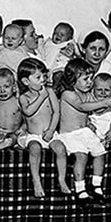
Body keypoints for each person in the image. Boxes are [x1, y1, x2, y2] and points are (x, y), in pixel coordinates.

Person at [57, 59, 111, 204]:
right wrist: (103, 103)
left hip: (85, 132)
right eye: (85, 79)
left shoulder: (86, 93)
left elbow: (95, 108)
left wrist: (108, 102)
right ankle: (80, 188)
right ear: (73, 80)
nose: (89, 82)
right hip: (70, 134)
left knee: (100, 153)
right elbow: (82, 107)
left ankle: (96, 184)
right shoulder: (68, 94)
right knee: (81, 156)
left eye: (90, 78)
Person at [17, 58, 67, 197]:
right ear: (26, 82)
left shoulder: (49, 91)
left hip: (50, 133)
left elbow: (56, 111)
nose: (43, 80)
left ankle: (61, 179)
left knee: (61, 149)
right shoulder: (24, 97)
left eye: (44, 76)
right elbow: (28, 112)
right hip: (34, 135)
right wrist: (41, 96)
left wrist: (51, 130)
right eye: (38, 77)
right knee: (34, 148)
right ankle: (36, 180)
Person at [87, 73, 111, 146]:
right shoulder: (89, 101)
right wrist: (88, 123)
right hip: (95, 131)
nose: (103, 93)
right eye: (99, 90)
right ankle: (98, 143)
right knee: (87, 132)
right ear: (93, 90)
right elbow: (84, 116)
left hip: (110, 131)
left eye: (106, 90)